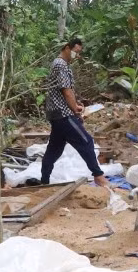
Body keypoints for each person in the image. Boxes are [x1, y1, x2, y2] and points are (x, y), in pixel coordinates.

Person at [32, 37, 115, 191]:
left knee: (54, 150)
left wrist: (75, 105)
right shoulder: (61, 65)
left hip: (56, 113)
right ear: (66, 47)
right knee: (86, 141)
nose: (77, 55)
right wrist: (74, 109)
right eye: (76, 52)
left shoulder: (59, 64)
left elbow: (63, 92)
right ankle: (98, 176)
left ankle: (44, 182)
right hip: (63, 114)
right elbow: (66, 91)